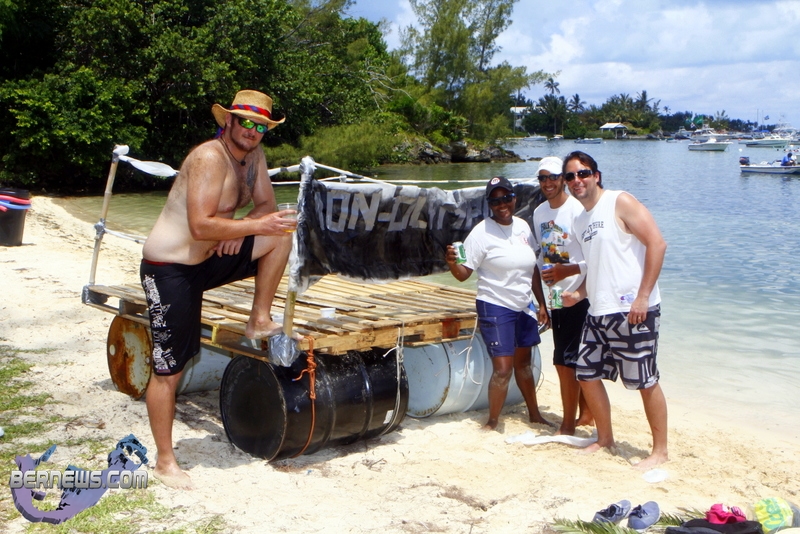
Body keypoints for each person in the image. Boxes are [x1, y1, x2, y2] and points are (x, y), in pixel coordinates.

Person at [140, 89, 296, 489]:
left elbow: (267, 206)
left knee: (282, 231)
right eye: (246, 122)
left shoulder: (254, 158)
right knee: (169, 369)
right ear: (228, 121)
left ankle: (258, 318)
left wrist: (240, 229)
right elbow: (199, 226)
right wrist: (246, 226)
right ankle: (165, 461)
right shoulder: (209, 157)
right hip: (170, 269)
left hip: (209, 259)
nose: (252, 131)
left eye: (261, 126)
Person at [561, 151, 668, 469]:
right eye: (570, 176)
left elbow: (657, 244)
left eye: (583, 173)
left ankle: (660, 451)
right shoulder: (579, 221)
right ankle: (605, 438)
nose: (577, 180)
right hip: (598, 312)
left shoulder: (620, 201)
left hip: (633, 310)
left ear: (596, 175)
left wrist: (643, 297)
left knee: (644, 380)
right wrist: (578, 293)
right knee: (586, 373)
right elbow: (596, 267)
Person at [445, 176, 552, 431]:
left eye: (506, 198)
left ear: (514, 199)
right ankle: (492, 422)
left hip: (523, 305)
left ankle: (535, 414)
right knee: (503, 369)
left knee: (524, 364)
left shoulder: (523, 227)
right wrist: (451, 262)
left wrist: (542, 304)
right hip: (494, 305)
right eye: (495, 201)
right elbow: (463, 275)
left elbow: (532, 269)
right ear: (489, 204)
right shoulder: (480, 233)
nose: (502, 204)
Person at [531, 156, 593, 436]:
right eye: (542, 178)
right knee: (571, 356)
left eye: (554, 177)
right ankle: (586, 414)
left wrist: (569, 274)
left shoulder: (578, 210)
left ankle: (568, 424)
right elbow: (543, 258)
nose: (548, 183)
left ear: (564, 180)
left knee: (565, 361)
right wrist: (542, 303)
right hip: (555, 297)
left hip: (580, 294)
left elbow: (595, 256)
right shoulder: (539, 213)